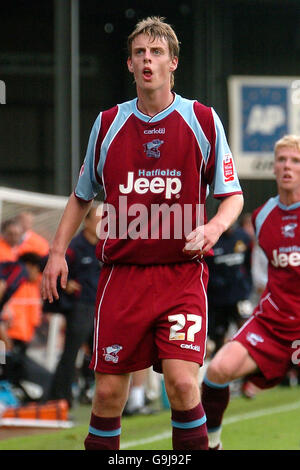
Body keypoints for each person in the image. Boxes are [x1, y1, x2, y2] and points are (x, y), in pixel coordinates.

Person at [41, 16, 243, 451]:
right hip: (123, 277)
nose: (147, 59)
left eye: (156, 52)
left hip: (182, 276)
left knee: (183, 386)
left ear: (174, 62)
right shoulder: (109, 122)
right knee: (110, 394)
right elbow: (81, 195)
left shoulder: (202, 120)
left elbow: (233, 196)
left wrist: (214, 225)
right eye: (139, 53)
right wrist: (57, 252)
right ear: (130, 65)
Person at [201, 134, 300, 450]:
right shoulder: (261, 217)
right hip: (273, 324)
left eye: (295, 161)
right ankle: (213, 444)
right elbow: (261, 275)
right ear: (273, 167)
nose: (287, 167)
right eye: (282, 160)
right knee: (217, 370)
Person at [44, 205, 102, 407]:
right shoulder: (75, 245)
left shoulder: (105, 246)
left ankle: (96, 393)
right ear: (86, 222)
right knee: (71, 351)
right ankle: (59, 397)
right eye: (99, 219)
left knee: (103, 354)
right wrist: (65, 283)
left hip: (101, 308)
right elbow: (50, 263)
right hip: (81, 307)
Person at [206, 223, 253, 353]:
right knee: (218, 335)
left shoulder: (242, 236)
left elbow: (248, 264)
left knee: (246, 329)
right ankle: (219, 362)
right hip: (217, 299)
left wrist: (247, 284)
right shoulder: (211, 238)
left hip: (240, 295)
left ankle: (245, 360)